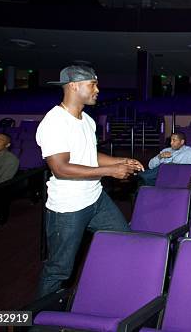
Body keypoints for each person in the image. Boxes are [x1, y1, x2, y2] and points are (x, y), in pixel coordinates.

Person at [36, 65, 144, 297]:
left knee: (124, 240)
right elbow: (61, 168)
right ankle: (34, 321)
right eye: (92, 84)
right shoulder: (54, 122)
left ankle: (110, 292)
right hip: (68, 208)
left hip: (95, 199)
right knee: (59, 270)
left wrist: (119, 160)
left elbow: (89, 156)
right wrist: (111, 171)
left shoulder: (87, 120)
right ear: (74, 86)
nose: (97, 89)